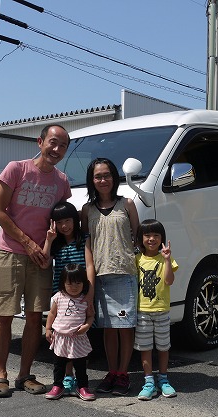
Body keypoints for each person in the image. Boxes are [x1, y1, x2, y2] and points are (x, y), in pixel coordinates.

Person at [0, 124, 71, 398]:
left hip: (41, 259)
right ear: (40, 141)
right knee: (5, 315)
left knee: (36, 317)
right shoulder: (16, 169)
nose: (57, 150)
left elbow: (62, 218)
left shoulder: (62, 181)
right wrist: (27, 242)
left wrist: (48, 250)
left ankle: (25, 374)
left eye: (62, 146)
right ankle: (0, 375)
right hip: (11, 252)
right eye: (53, 142)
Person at [82, 157, 139, 396]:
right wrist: (89, 280)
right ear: (92, 181)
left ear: (114, 178)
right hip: (101, 275)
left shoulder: (127, 204)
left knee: (125, 327)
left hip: (125, 273)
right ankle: (111, 371)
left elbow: (138, 238)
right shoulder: (87, 210)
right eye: (98, 176)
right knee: (107, 328)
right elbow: (87, 245)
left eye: (107, 175)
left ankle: (123, 373)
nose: (103, 180)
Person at [41, 201, 95, 395]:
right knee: (63, 334)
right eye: (59, 222)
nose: (65, 226)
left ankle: (78, 379)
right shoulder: (56, 243)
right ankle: (67, 377)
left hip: (81, 293)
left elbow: (89, 265)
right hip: (62, 294)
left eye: (68, 220)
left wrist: (90, 293)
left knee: (78, 335)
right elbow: (45, 263)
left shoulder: (84, 239)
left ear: (75, 220)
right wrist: (48, 240)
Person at [134, 219, 179, 400]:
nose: (151, 239)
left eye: (156, 235)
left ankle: (164, 379)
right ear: (141, 238)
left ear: (162, 238)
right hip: (142, 310)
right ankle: (149, 382)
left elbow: (169, 281)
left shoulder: (166, 258)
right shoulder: (137, 259)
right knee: (145, 347)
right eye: (147, 235)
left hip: (161, 310)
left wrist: (167, 260)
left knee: (163, 347)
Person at [44, 263, 95, 401]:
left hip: (78, 338)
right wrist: (48, 329)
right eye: (70, 283)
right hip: (60, 337)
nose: (74, 287)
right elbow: (52, 313)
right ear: (63, 283)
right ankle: (57, 386)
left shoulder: (85, 299)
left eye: (78, 283)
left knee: (80, 365)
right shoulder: (58, 297)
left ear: (84, 283)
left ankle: (82, 386)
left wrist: (87, 326)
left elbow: (91, 316)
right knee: (59, 364)